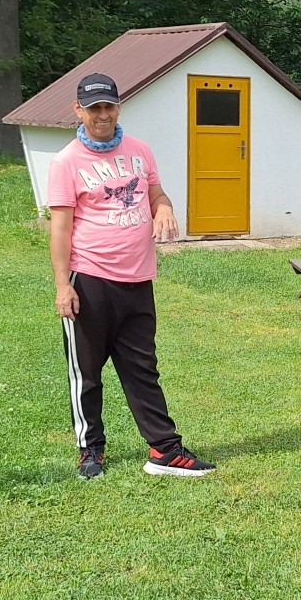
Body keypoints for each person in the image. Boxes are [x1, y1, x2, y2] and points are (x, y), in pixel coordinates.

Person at [48, 72, 212, 480]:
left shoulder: (140, 150)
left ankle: (164, 450)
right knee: (86, 374)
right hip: (90, 280)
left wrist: (165, 207)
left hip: (138, 279)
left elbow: (156, 193)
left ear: (119, 107)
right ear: (79, 110)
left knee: (143, 369)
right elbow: (60, 229)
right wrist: (62, 285)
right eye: (94, 108)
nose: (102, 114)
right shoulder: (66, 162)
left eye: (109, 106)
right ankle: (90, 450)